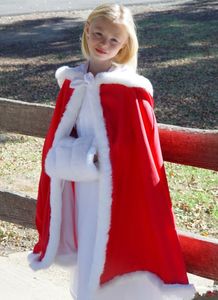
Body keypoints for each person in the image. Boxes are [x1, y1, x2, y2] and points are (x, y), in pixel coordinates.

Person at [28, 4, 195, 300]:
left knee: (114, 251)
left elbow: (140, 152)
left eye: (113, 40)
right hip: (81, 189)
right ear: (87, 31)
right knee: (89, 251)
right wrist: (76, 158)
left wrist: (94, 159)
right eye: (98, 34)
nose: (103, 44)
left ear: (124, 45)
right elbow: (59, 137)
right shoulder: (72, 82)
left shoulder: (129, 90)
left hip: (119, 191)